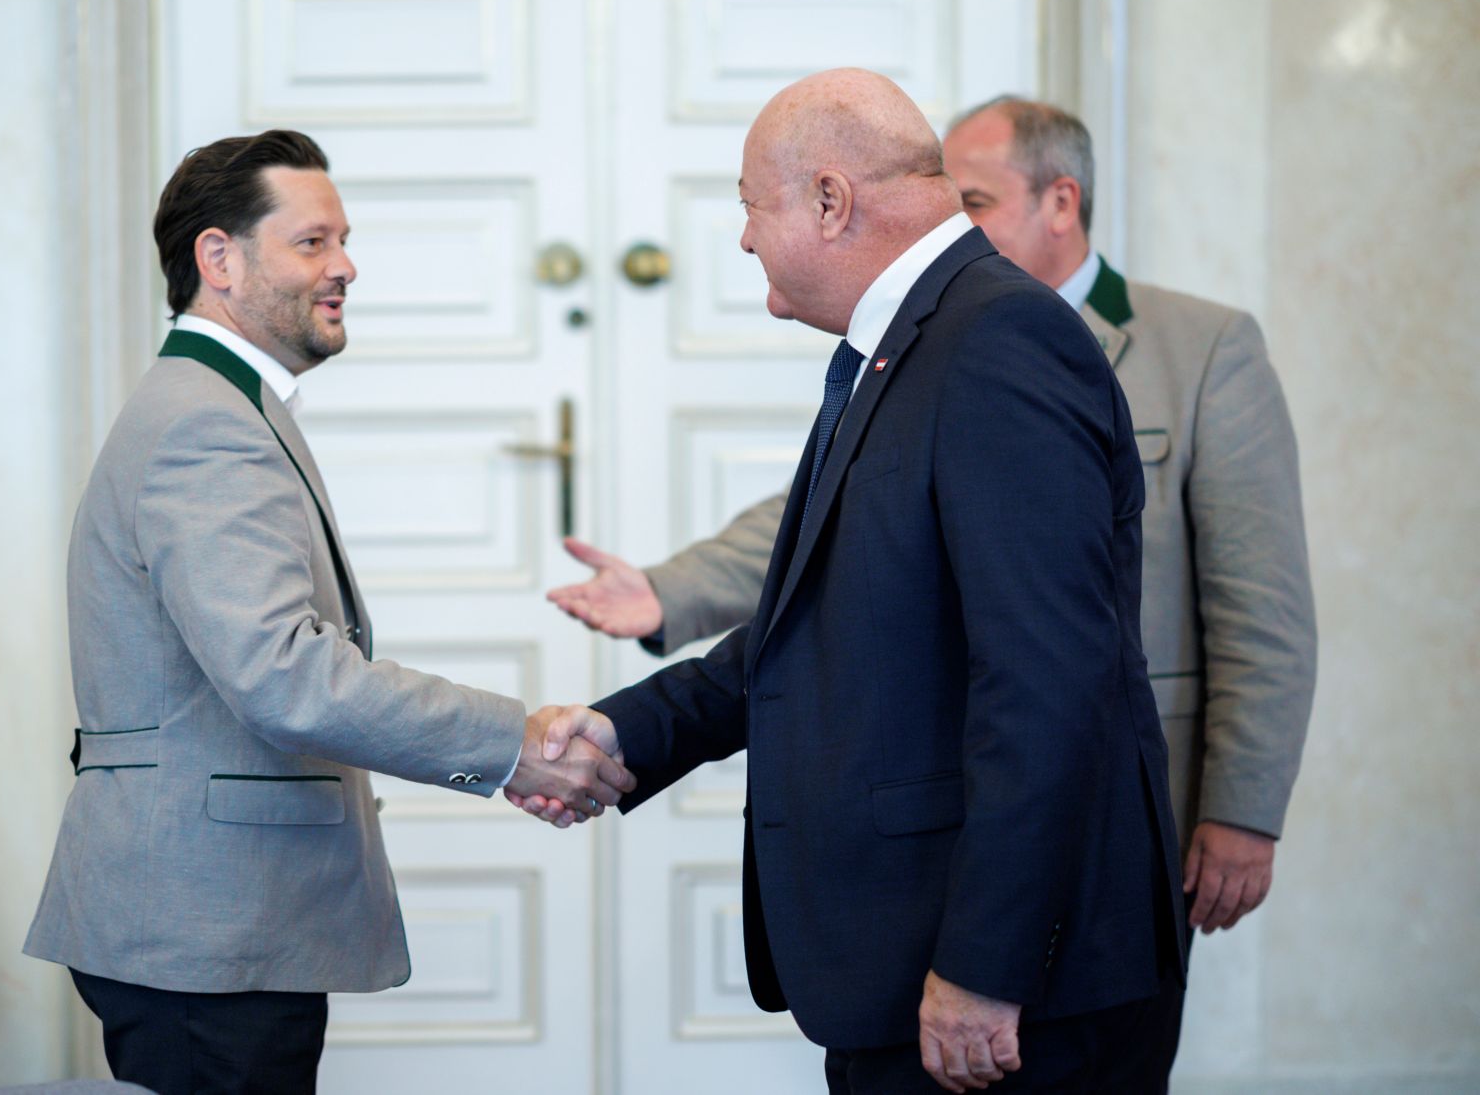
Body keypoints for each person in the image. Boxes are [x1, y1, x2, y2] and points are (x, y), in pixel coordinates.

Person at [549, 94, 1317, 1081]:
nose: (742, 240)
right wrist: (628, 731)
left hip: (1009, 992)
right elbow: (827, 619)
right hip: (912, 955)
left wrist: (984, 965)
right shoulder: (903, 346)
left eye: (750, 207)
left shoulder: (998, 343)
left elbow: (1045, 682)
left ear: (830, 200)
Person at [23, 129, 634, 1095]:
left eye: (342, 240)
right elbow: (286, 676)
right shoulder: (205, 426)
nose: (345, 265)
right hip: (204, 929)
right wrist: (511, 744)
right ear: (217, 258)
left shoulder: (225, 406)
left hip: (214, 922)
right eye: (312, 242)